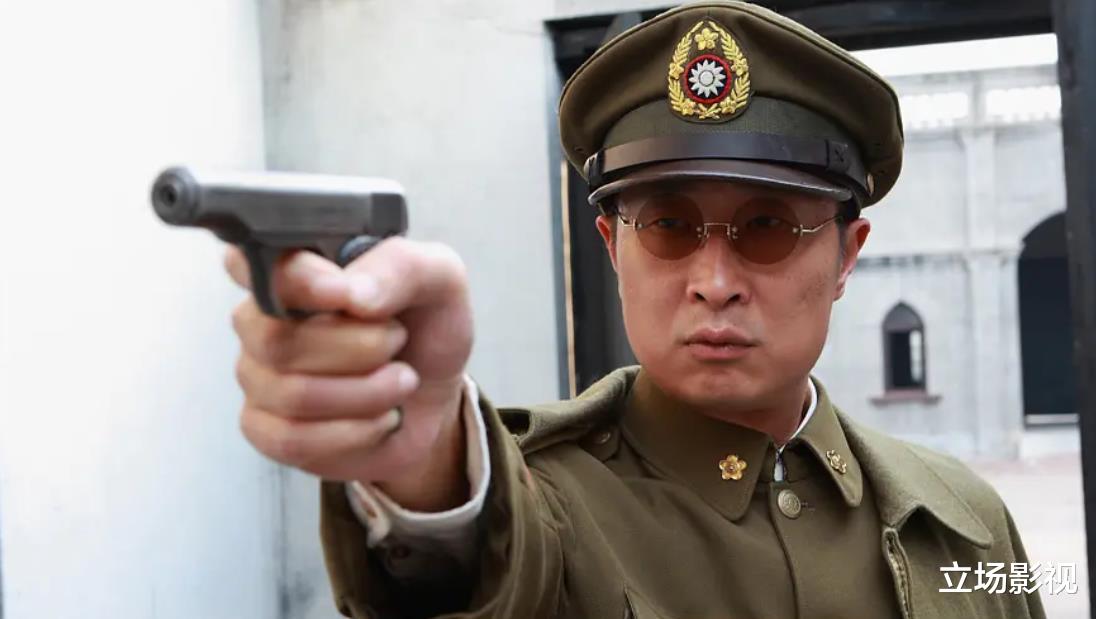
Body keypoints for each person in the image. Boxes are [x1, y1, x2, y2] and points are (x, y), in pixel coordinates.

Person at [224, 2, 1046, 617]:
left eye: (766, 226)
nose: (713, 280)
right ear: (614, 247)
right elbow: (480, 565)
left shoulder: (962, 524)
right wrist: (424, 456)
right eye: (668, 226)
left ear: (846, 254)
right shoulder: (547, 511)